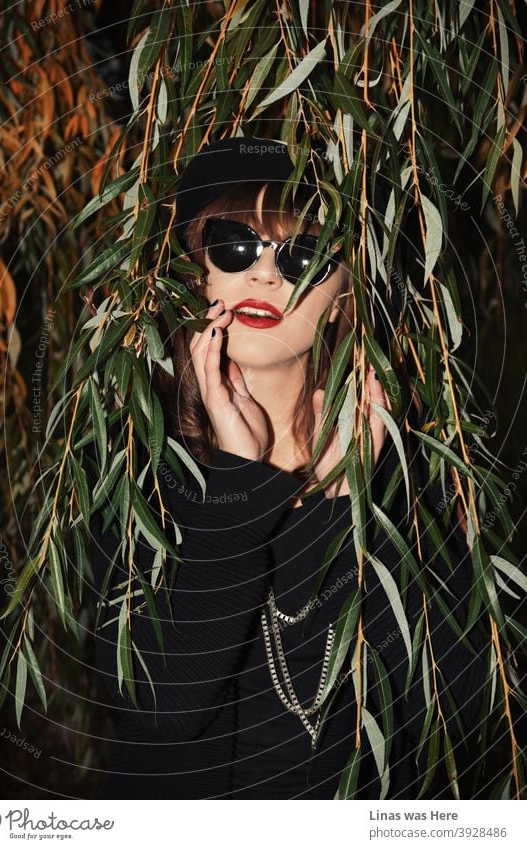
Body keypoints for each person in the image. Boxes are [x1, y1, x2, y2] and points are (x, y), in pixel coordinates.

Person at [89, 137, 488, 800]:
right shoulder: (139, 472)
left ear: (344, 293)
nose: (266, 275)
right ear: (199, 273)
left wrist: (335, 508)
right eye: (234, 243)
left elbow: (458, 701)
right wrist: (241, 487)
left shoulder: (391, 465)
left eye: (302, 254)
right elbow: (163, 704)